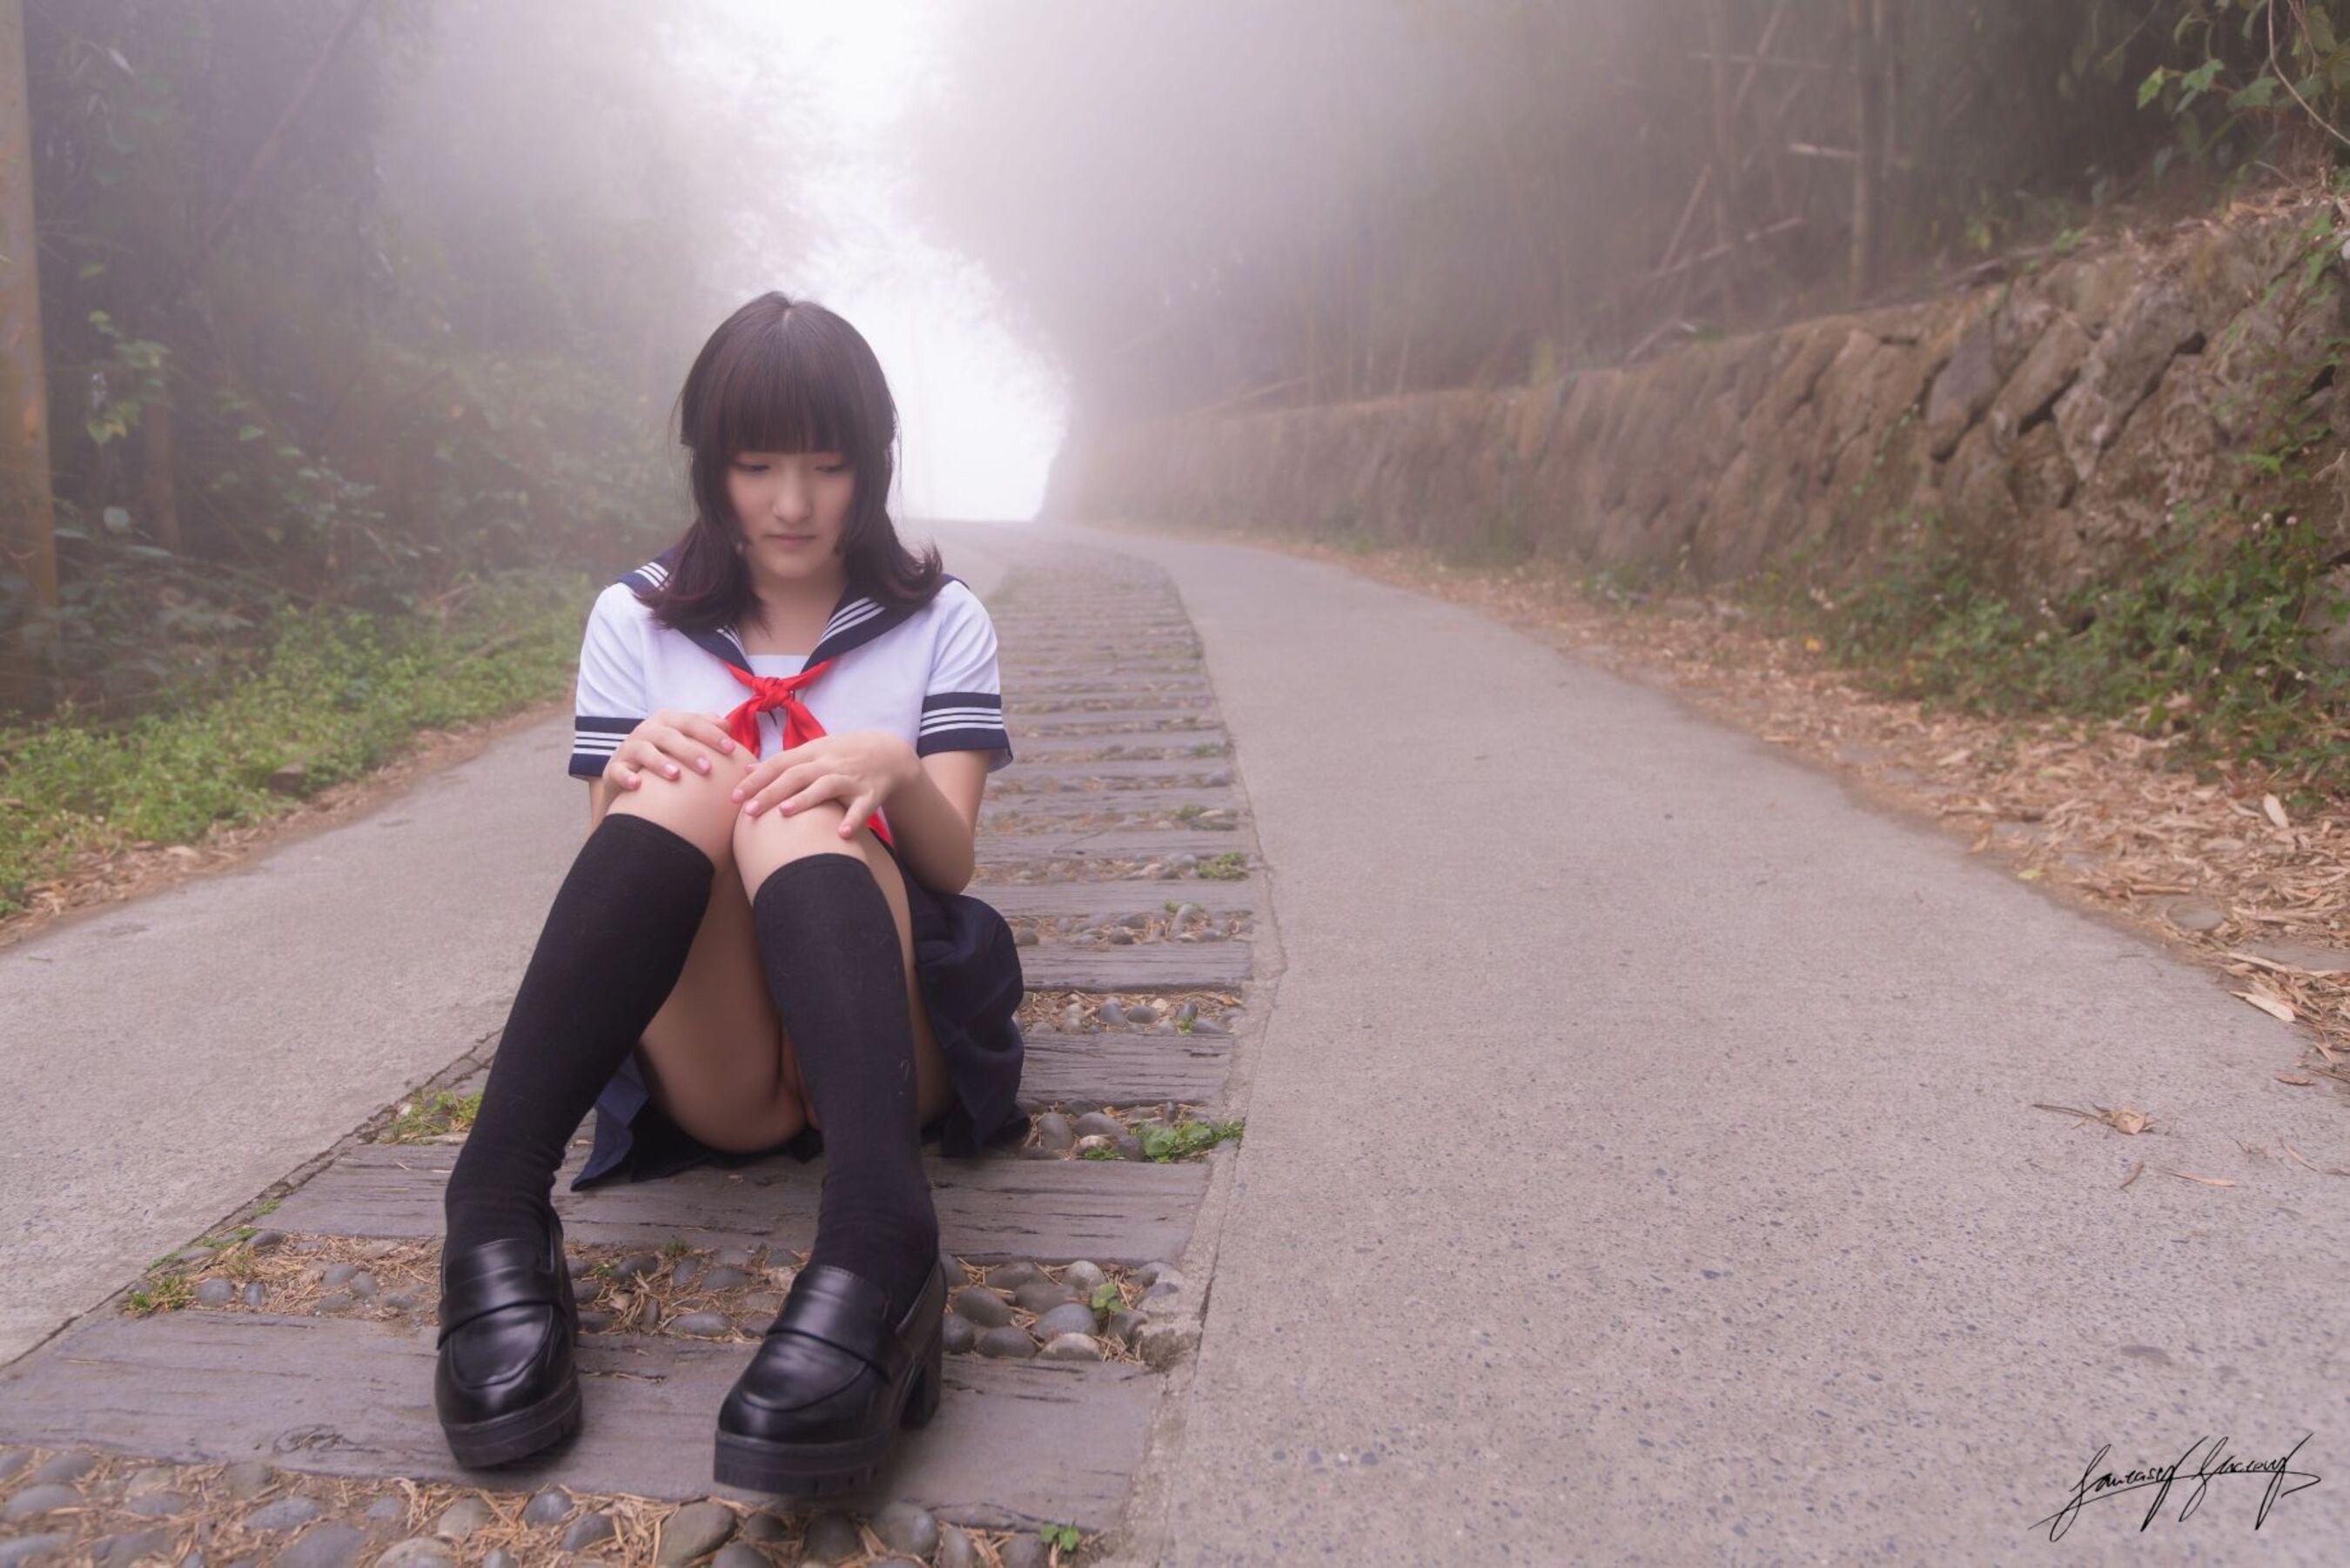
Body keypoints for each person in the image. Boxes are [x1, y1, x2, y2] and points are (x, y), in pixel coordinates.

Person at [431, 291, 1028, 1497]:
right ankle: (493, 1205)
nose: (792, 503)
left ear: (873, 463)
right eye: (758, 465)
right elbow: (616, 883)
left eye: (827, 465)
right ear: (712, 465)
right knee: (693, 774)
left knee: (799, 794)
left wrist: (893, 766)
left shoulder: (938, 618)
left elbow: (952, 863)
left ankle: (882, 1240)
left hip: (886, 1046)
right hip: (727, 1078)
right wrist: (632, 773)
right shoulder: (636, 617)